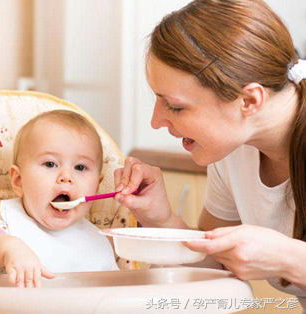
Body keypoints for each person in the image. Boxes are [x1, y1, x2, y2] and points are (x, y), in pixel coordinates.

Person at [114, 0, 306, 311]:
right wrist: (160, 217)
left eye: (175, 106)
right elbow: (212, 263)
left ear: (249, 101)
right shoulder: (232, 148)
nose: (156, 121)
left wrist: (289, 258)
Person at [0, 110, 118, 288]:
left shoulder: (97, 240)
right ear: (18, 180)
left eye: (80, 167)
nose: (66, 176)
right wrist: (10, 249)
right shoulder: (10, 226)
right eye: (50, 164)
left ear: (97, 187)